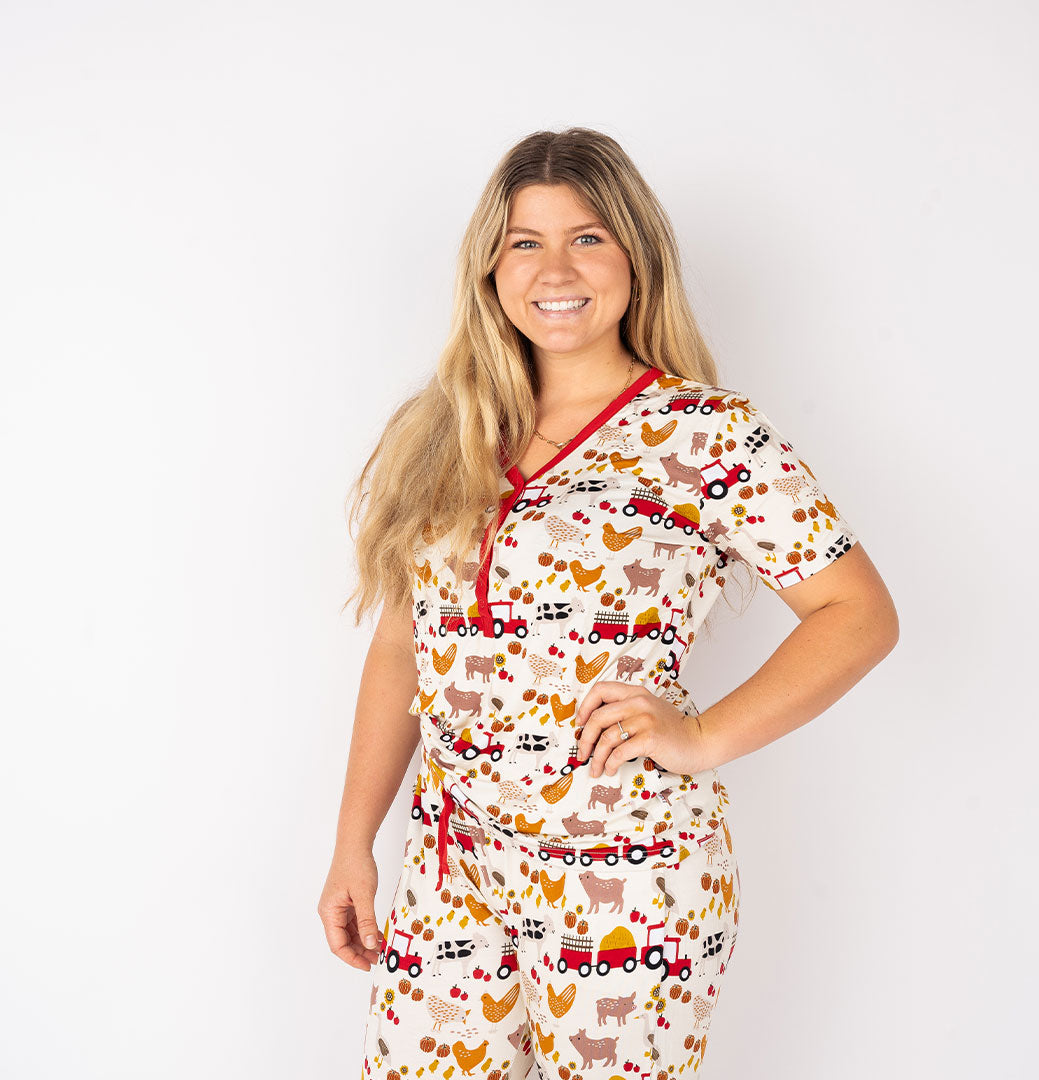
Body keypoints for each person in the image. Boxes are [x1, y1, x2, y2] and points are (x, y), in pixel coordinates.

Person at [319, 127, 898, 1080]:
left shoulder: (706, 435)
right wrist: (355, 842)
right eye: (523, 242)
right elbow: (399, 646)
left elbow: (858, 611)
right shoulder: (451, 431)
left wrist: (703, 736)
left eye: (588, 237)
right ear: (490, 270)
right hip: (452, 866)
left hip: (627, 881)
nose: (556, 267)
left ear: (636, 256)